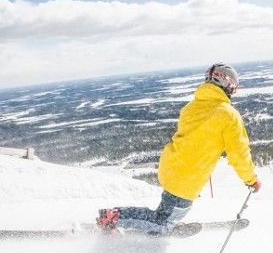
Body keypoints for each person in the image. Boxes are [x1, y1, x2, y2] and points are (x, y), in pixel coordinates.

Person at [97, 63, 261, 235]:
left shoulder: (191, 107)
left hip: (172, 166)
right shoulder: (228, 115)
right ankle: (117, 217)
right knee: (162, 222)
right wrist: (251, 180)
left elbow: (195, 138)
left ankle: (146, 222)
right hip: (187, 178)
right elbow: (239, 154)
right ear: (228, 85)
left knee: (165, 212)